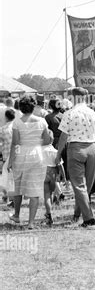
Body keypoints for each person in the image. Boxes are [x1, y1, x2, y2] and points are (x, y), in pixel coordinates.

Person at [55, 87, 95, 227]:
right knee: (85, 187)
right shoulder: (93, 113)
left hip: (76, 148)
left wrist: (58, 154)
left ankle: (88, 218)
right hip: (92, 148)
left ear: (73, 97)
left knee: (78, 185)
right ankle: (78, 213)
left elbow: (63, 136)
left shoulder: (69, 113)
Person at [7, 95, 52, 229]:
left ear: (21, 108)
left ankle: (16, 214)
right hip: (37, 155)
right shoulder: (42, 121)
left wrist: (10, 161)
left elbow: (15, 143)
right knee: (35, 189)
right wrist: (37, 143)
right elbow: (47, 140)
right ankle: (31, 222)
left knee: (17, 186)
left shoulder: (17, 122)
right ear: (34, 106)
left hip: (21, 155)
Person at [42, 130, 65, 226]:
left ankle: (49, 214)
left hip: (43, 173)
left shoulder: (39, 151)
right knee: (50, 194)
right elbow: (60, 166)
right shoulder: (55, 152)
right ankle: (49, 213)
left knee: (46, 195)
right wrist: (64, 177)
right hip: (53, 174)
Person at [0, 109, 16, 202]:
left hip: (7, 155)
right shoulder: (17, 127)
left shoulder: (3, 129)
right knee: (14, 177)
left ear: (6, 117)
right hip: (18, 154)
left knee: (7, 177)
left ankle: (8, 196)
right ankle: (12, 196)